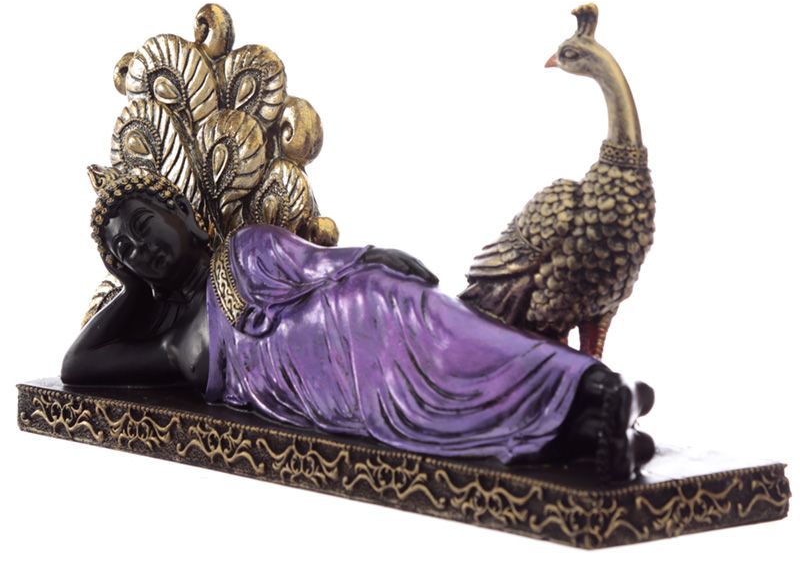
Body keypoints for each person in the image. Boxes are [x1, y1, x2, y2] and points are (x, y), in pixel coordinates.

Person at [63, 167, 655, 480]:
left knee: (454, 346)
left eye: (144, 227)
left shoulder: (245, 246)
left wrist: (375, 258)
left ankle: (589, 385)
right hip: (338, 394)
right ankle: (589, 432)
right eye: (124, 252)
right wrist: (133, 287)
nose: (140, 249)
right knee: (435, 420)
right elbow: (79, 367)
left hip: (363, 316)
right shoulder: (173, 345)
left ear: (186, 216)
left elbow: (321, 266)